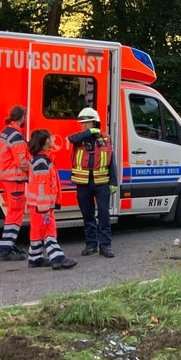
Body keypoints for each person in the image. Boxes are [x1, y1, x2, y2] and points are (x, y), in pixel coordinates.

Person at [68, 108, 117, 258]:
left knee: (103, 215)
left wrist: (113, 182)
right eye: (82, 123)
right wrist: (89, 132)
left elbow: (111, 162)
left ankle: (105, 246)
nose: (83, 125)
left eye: (86, 123)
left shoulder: (105, 139)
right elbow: (72, 138)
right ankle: (91, 245)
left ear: (94, 122)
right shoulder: (79, 138)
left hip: (102, 183)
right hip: (83, 184)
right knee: (87, 215)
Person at [25, 129, 77, 270]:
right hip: (42, 205)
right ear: (45, 141)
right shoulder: (42, 161)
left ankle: (35, 258)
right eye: (50, 137)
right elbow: (42, 187)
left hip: (37, 204)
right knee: (49, 230)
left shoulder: (40, 159)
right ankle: (57, 258)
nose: (52, 139)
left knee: (37, 231)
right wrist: (45, 208)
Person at [0, 105, 29, 261]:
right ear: (22, 117)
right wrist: (35, 169)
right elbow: (21, 161)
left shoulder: (5, 131)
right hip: (14, 178)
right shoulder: (16, 135)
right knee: (15, 214)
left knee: (11, 213)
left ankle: (9, 244)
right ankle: (6, 249)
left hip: (5, 177)